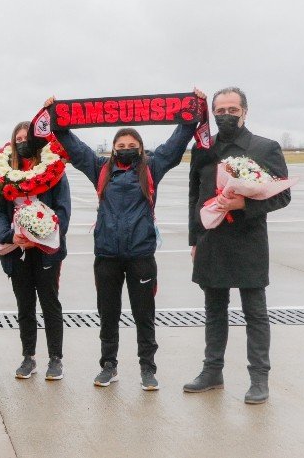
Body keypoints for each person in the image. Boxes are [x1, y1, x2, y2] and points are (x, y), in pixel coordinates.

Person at [46, 89, 205, 391]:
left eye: (132, 145)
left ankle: (148, 367)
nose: (126, 148)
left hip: (141, 255)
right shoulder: (101, 169)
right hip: (106, 255)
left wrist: (190, 114)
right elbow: (75, 148)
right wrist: (58, 117)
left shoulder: (151, 168)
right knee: (108, 314)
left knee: (144, 314)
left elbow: (175, 145)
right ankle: (109, 365)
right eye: (121, 145)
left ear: (141, 148)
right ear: (114, 148)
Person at [184, 87, 290, 404]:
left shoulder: (265, 148)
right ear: (213, 113)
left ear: (245, 111)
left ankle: (259, 379)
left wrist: (243, 205)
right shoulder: (203, 148)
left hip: (249, 242)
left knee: (254, 313)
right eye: (220, 110)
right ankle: (212, 371)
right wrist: (194, 239)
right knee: (214, 311)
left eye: (232, 109)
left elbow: (282, 195)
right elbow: (195, 196)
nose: (226, 115)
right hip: (211, 240)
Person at [0, 122, 71, 381]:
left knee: (50, 304)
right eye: (19, 138)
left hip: (46, 250)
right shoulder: (4, 173)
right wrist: (10, 236)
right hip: (18, 250)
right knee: (24, 306)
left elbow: (63, 211)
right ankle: (28, 357)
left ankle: (55, 359)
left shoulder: (55, 170)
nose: (24, 142)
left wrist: (41, 235)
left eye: (28, 138)